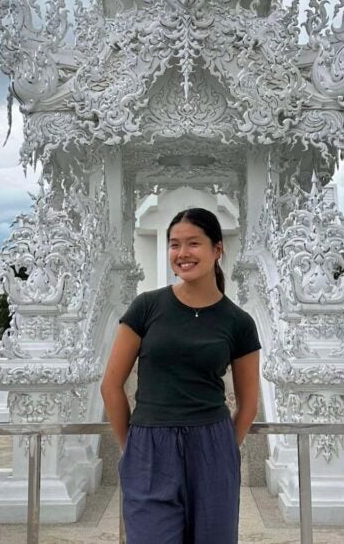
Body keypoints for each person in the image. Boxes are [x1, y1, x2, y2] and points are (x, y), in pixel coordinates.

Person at [101, 207, 261, 544]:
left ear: (217, 249)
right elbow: (111, 386)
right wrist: (132, 447)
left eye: (193, 244)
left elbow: (248, 405)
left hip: (213, 444)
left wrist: (222, 449)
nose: (182, 254)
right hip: (148, 445)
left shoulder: (238, 322)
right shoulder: (146, 307)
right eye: (175, 245)